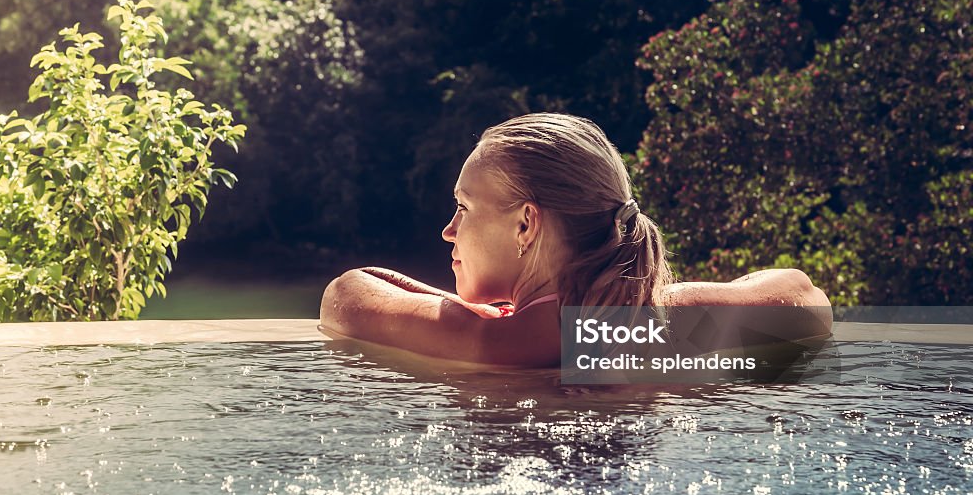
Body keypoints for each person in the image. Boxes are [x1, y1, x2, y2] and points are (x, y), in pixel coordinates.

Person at [319, 113, 831, 367]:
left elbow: (346, 294)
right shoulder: (663, 326)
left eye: (463, 207)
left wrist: (485, 316)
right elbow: (805, 298)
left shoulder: (498, 342)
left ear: (526, 225)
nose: (449, 230)